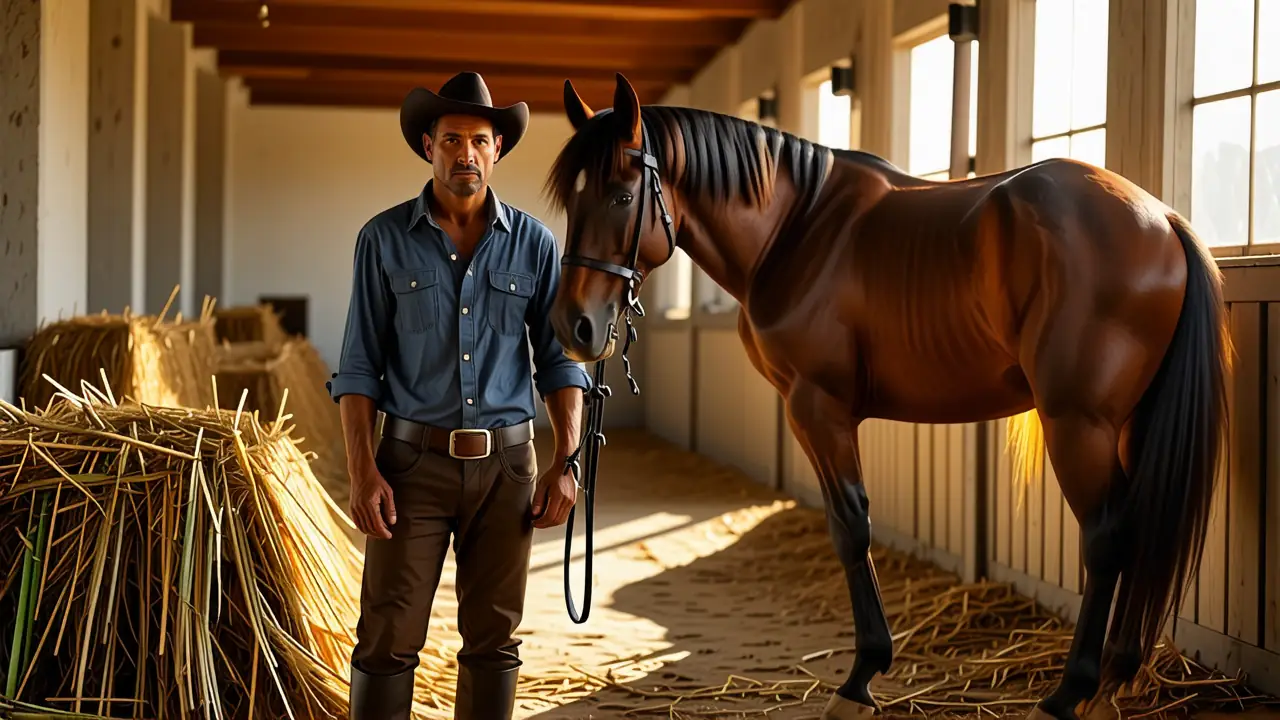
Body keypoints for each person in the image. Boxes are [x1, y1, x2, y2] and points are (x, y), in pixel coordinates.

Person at [325, 71, 590, 720]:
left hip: (508, 470)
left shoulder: (534, 244)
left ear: (497, 149)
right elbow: (359, 367)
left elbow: (559, 362)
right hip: (410, 468)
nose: (465, 153)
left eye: (479, 140)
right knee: (388, 637)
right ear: (427, 146)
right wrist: (363, 473)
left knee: (494, 642)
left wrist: (568, 461)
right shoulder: (381, 241)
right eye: (451, 140)